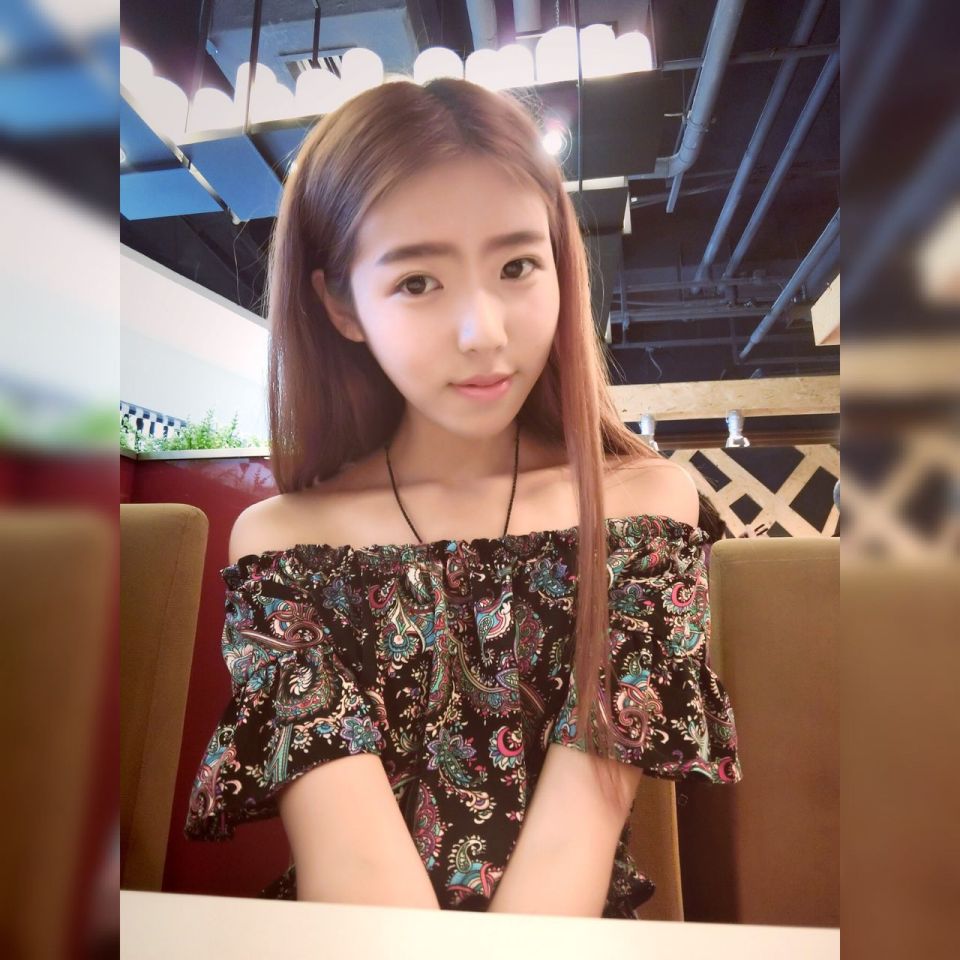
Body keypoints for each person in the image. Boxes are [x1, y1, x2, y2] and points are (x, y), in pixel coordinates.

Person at [183, 77, 742, 919]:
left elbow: (575, 843)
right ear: (340, 304)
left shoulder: (643, 510)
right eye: (417, 282)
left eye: (517, 266)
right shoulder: (281, 545)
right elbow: (354, 873)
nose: (484, 331)